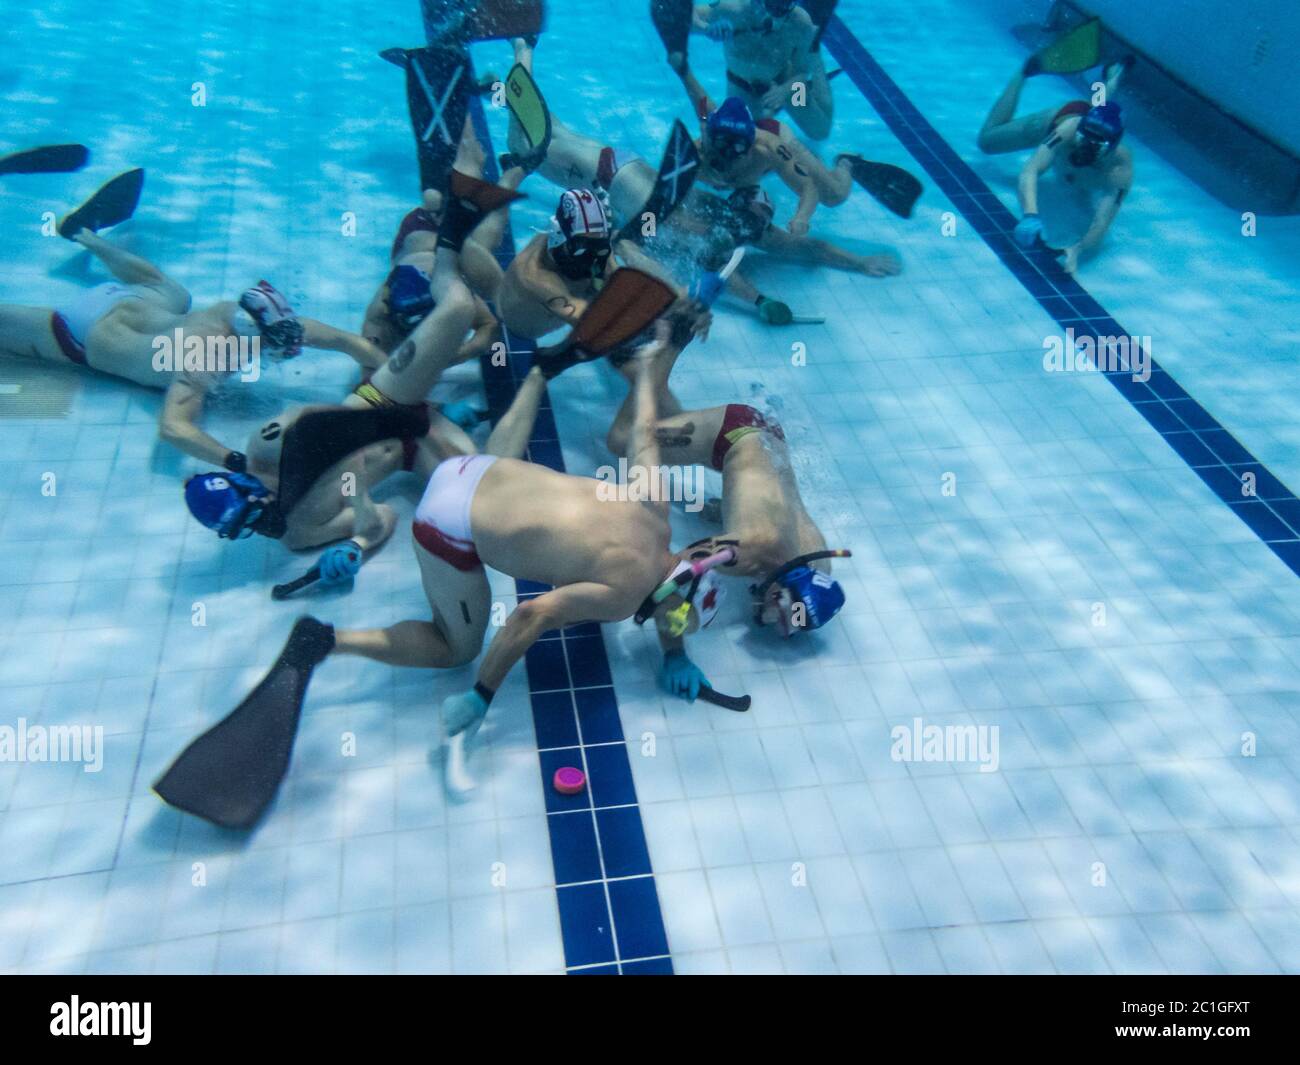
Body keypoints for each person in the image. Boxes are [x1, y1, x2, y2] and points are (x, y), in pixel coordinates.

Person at [0, 173, 387, 469]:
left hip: (138, 302)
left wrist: (379, 391)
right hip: (78, 333)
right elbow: (173, 428)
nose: (291, 348)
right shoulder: (202, 362)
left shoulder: (245, 314)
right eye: (283, 346)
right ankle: (86, 237)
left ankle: (84, 234)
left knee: (174, 293)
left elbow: (353, 345)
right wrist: (234, 460)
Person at [603, 311, 848, 701]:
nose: (770, 621)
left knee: (668, 424)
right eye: (778, 613)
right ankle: (661, 348)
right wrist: (675, 654)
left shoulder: (819, 564)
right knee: (623, 440)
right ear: (779, 590)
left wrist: (727, 508)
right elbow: (670, 575)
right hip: (734, 432)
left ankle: (643, 371)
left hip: (767, 438)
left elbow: (782, 505)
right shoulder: (747, 551)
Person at [978, 58, 1134, 272]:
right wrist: (1031, 216)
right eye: (1085, 137)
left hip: (1091, 122)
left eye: (1097, 144)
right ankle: (1022, 74)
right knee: (987, 141)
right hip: (1061, 118)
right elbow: (1031, 170)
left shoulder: (1118, 169)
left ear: (1112, 147)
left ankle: (1113, 78)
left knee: (1097, 108)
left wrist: (1076, 250)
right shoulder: (1068, 129)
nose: (1086, 146)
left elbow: (1101, 223)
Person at [689, 0, 835, 140]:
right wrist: (705, 28)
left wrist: (784, 90)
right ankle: (765, 111)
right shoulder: (732, 9)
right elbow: (684, 18)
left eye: (785, 4)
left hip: (786, 81)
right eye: (773, 3)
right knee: (743, 138)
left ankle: (814, 55)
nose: (778, 10)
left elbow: (802, 72)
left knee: (820, 131)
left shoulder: (801, 22)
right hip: (743, 87)